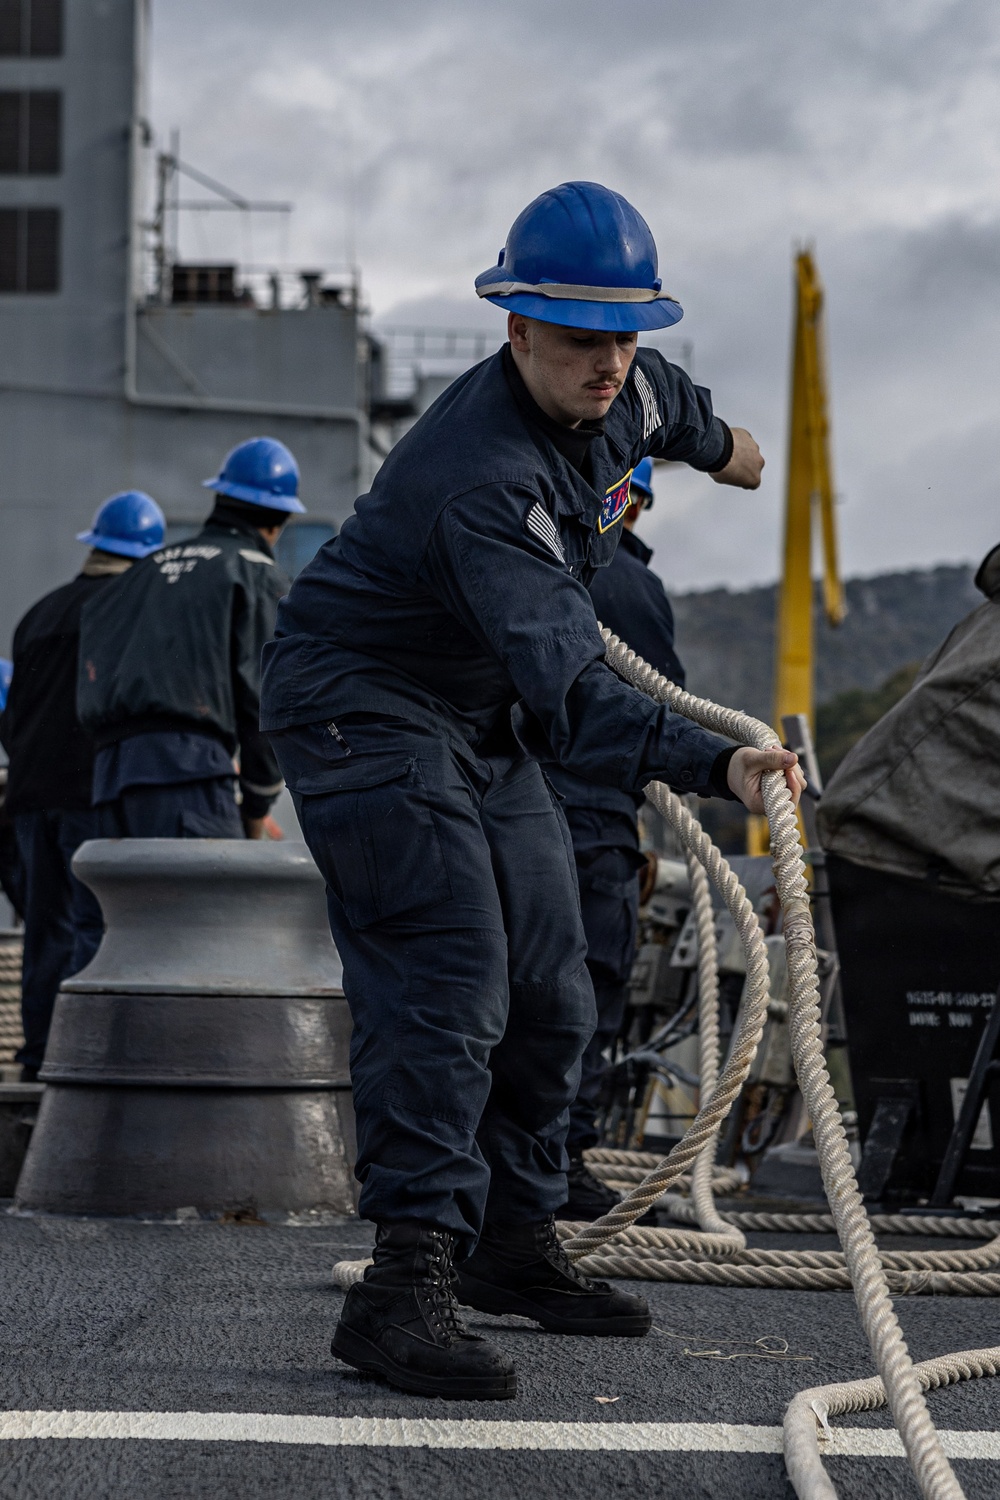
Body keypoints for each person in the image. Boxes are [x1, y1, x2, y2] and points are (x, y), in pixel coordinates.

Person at [260, 181, 804, 1401]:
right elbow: (575, 694)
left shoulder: (629, 385)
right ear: (516, 330)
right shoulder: (483, 483)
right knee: (448, 971)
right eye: (577, 338)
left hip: (474, 713)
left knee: (554, 980)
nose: (607, 362)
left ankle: (511, 1239)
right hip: (363, 702)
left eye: (625, 335)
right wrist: (716, 763)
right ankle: (404, 1283)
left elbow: (678, 409)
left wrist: (732, 452)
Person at [546, 456, 688, 1218]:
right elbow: (662, 713)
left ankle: (493, 1167)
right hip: (592, 823)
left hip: (504, 813)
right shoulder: (630, 585)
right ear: (632, 504)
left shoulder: (527, 563)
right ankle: (558, 1169)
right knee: (585, 995)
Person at [0, 492, 165, 1079]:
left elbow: (15, 716)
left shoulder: (38, 614)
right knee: (95, 924)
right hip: (88, 793)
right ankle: (84, 1060)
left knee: (45, 928)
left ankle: (39, 1055)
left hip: (28, 800)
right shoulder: (127, 607)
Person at [77, 438, 300, 840]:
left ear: (220, 499)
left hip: (108, 782)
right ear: (276, 524)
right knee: (212, 883)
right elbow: (266, 698)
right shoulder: (255, 573)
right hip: (188, 774)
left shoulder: (140, 573)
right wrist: (257, 800)